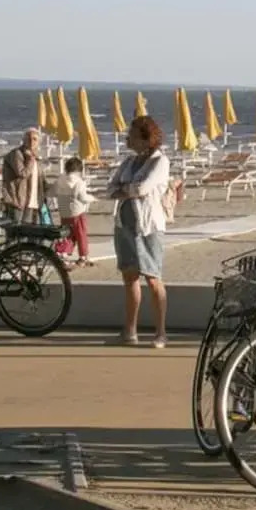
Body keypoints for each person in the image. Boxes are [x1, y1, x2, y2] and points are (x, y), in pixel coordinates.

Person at [106, 116, 170, 348]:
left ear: (145, 138)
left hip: (148, 227)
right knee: (130, 277)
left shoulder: (159, 161)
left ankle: (161, 332)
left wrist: (124, 189)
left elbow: (143, 188)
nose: (128, 139)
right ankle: (130, 331)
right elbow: (110, 188)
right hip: (124, 226)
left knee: (153, 278)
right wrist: (126, 189)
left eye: (132, 135)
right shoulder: (129, 162)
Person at [53, 157, 97, 267]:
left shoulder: (60, 180)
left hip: (64, 213)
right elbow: (82, 197)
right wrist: (93, 198)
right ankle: (83, 257)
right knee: (81, 235)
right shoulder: (79, 182)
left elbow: (52, 192)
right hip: (77, 213)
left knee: (67, 235)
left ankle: (62, 253)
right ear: (79, 170)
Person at [1, 128, 46, 223]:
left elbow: (41, 180)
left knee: (29, 230)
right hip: (18, 200)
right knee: (16, 229)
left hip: (33, 201)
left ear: (39, 142)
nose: (31, 142)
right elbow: (22, 173)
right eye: (29, 138)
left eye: (35, 139)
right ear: (23, 140)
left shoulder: (35, 157)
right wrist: (30, 160)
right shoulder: (17, 154)